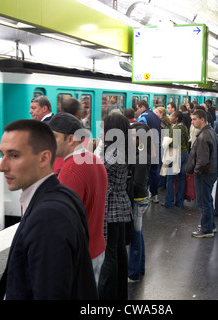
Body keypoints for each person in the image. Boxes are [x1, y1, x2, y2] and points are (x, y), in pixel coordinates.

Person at [0, 119, 97, 300]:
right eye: (2, 155)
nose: (1, 166)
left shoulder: (49, 217)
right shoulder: (62, 194)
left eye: (14, 155)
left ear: (44, 158)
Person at [48, 112, 108, 288]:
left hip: (79, 255)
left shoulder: (70, 170)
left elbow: (63, 222)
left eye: (54, 137)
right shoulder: (94, 160)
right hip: (96, 248)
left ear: (71, 139)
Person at [98, 113, 133, 300]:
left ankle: (104, 296)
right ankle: (120, 294)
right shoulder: (123, 148)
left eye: (104, 128)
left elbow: (100, 172)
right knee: (119, 251)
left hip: (112, 207)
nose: (102, 131)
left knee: (109, 254)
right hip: (120, 205)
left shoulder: (113, 152)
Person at [186, 110, 218, 238]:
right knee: (208, 200)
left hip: (204, 173)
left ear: (202, 120)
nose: (192, 122)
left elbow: (202, 159)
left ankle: (206, 229)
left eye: (194, 119)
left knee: (203, 202)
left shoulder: (203, 136)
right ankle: (210, 225)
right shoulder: (210, 132)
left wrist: (196, 171)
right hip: (211, 171)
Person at [127, 121, 151, 282]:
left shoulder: (142, 156)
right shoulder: (140, 153)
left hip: (138, 199)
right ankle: (139, 268)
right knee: (138, 234)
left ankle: (133, 273)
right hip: (140, 198)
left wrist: (126, 182)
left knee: (135, 236)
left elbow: (138, 183)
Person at [136, 100, 161, 204]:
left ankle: (144, 194)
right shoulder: (156, 116)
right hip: (156, 147)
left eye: (138, 108)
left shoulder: (142, 117)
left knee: (144, 173)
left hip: (146, 149)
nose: (137, 110)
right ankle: (155, 195)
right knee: (154, 173)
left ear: (142, 107)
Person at [162, 110, 189, 209]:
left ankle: (169, 202)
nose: (170, 117)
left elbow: (173, 144)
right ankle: (179, 202)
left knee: (171, 179)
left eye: (172, 116)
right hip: (185, 154)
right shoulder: (185, 127)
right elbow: (186, 141)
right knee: (182, 179)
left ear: (176, 118)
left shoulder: (175, 129)